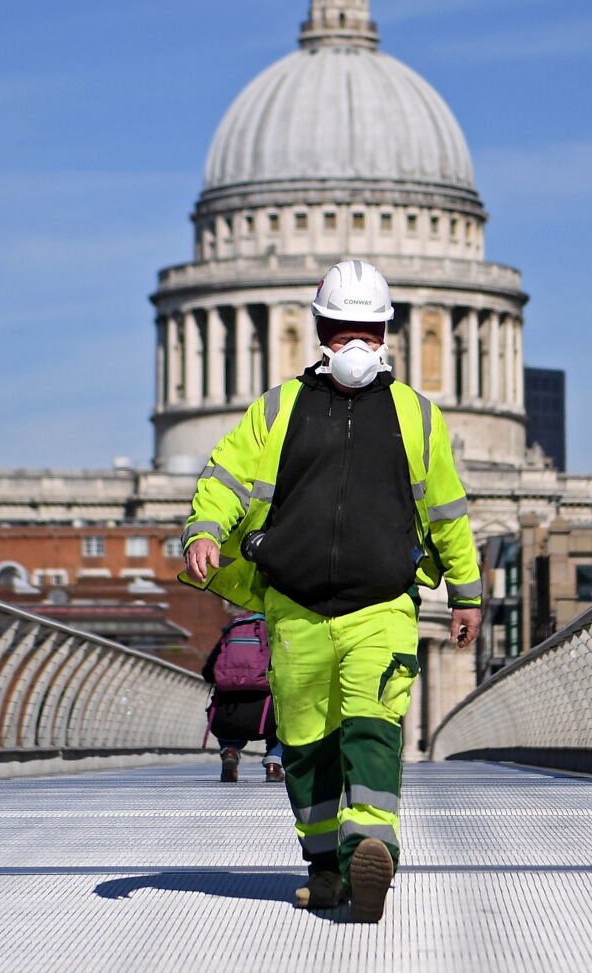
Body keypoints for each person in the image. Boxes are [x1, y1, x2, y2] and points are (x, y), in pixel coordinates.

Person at [180, 259, 483, 924]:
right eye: (343, 329)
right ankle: (325, 868)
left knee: (374, 727)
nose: (355, 344)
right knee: (307, 747)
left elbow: (449, 514)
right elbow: (225, 474)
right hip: (296, 609)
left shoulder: (417, 416)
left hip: (380, 606)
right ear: (318, 329)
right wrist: (205, 527)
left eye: (367, 331)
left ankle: (371, 844)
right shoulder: (278, 408)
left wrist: (467, 592)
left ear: (388, 333)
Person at [202, 610, 283, 783]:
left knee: (225, 725)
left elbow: (208, 673)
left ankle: (230, 751)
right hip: (265, 711)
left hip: (228, 711)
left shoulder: (234, 627)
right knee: (284, 722)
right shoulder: (277, 629)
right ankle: (274, 764)